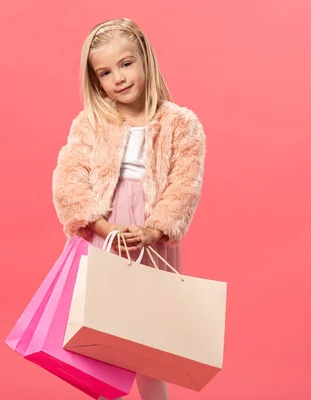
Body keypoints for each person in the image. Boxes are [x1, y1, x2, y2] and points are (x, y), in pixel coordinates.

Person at [51, 17, 206, 400]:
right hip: (107, 235)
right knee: (103, 337)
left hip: (149, 239)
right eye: (105, 72)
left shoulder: (179, 124)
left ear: (145, 60)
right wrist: (104, 228)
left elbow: (183, 187)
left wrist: (154, 230)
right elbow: (70, 180)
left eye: (126, 64)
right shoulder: (91, 123)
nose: (118, 78)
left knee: (147, 341)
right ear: (96, 80)